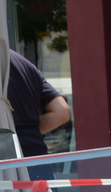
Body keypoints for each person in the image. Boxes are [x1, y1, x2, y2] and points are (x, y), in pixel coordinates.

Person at [7, 48, 71, 180]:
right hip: (38, 158)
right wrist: (31, 132)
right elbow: (62, 112)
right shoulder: (24, 64)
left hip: (6, 163)